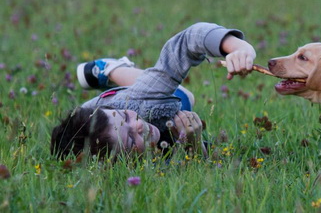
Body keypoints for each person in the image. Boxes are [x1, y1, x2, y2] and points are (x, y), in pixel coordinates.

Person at [50, 22, 256, 159]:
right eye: (131, 139)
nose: (138, 125)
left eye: (126, 118)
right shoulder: (113, 167)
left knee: (183, 97)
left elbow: (188, 41)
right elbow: (194, 167)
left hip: (124, 99)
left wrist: (238, 48)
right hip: (107, 119)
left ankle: (110, 69)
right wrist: (193, 141)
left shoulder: (140, 104)